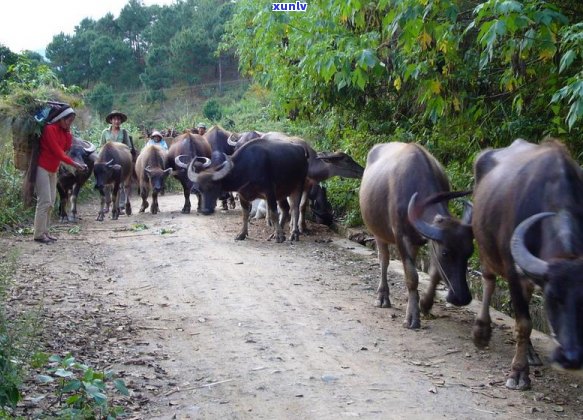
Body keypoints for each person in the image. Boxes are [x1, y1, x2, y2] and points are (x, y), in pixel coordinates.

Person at [33, 104, 87, 244]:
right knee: (44, 201)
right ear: (60, 119)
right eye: (68, 120)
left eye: (71, 121)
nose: (70, 123)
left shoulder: (65, 133)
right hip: (42, 168)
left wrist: (68, 131)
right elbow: (58, 152)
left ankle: (45, 232)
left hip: (53, 169)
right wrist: (75, 164)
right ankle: (38, 234)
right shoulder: (49, 129)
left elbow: (67, 146)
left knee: (51, 202)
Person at [100, 110, 134, 214]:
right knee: (106, 183)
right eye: (114, 119)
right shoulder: (105, 132)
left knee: (121, 184)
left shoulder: (124, 132)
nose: (116, 121)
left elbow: (129, 147)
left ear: (121, 121)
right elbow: (101, 146)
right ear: (111, 120)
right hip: (107, 160)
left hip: (120, 159)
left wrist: (122, 152)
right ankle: (107, 204)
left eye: (118, 119)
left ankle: (121, 205)